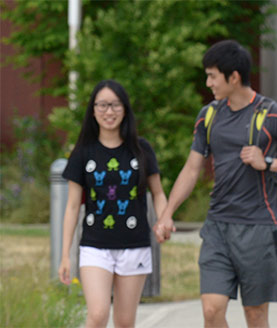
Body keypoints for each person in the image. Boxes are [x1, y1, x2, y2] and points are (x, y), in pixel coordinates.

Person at [159, 39, 277, 328]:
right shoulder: (209, 115)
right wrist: (167, 212)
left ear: (233, 77)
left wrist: (269, 163)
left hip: (258, 227)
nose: (208, 82)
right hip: (217, 227)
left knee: (256, 316)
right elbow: (192, 167)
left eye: (212, 76)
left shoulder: (273, 114)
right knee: (211, 310)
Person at [59, 80, 169, 328]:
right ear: (93, 110)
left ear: (125, 109)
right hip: (95, 246)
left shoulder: (142, 150)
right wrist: (65, 255)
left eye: (115, 105)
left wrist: (164, 219)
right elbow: (73, 207)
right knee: (97, 315)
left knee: (124, 322)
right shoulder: (83, 152)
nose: (109, 112)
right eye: (102, 105)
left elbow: (158, 194)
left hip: (135, 246)